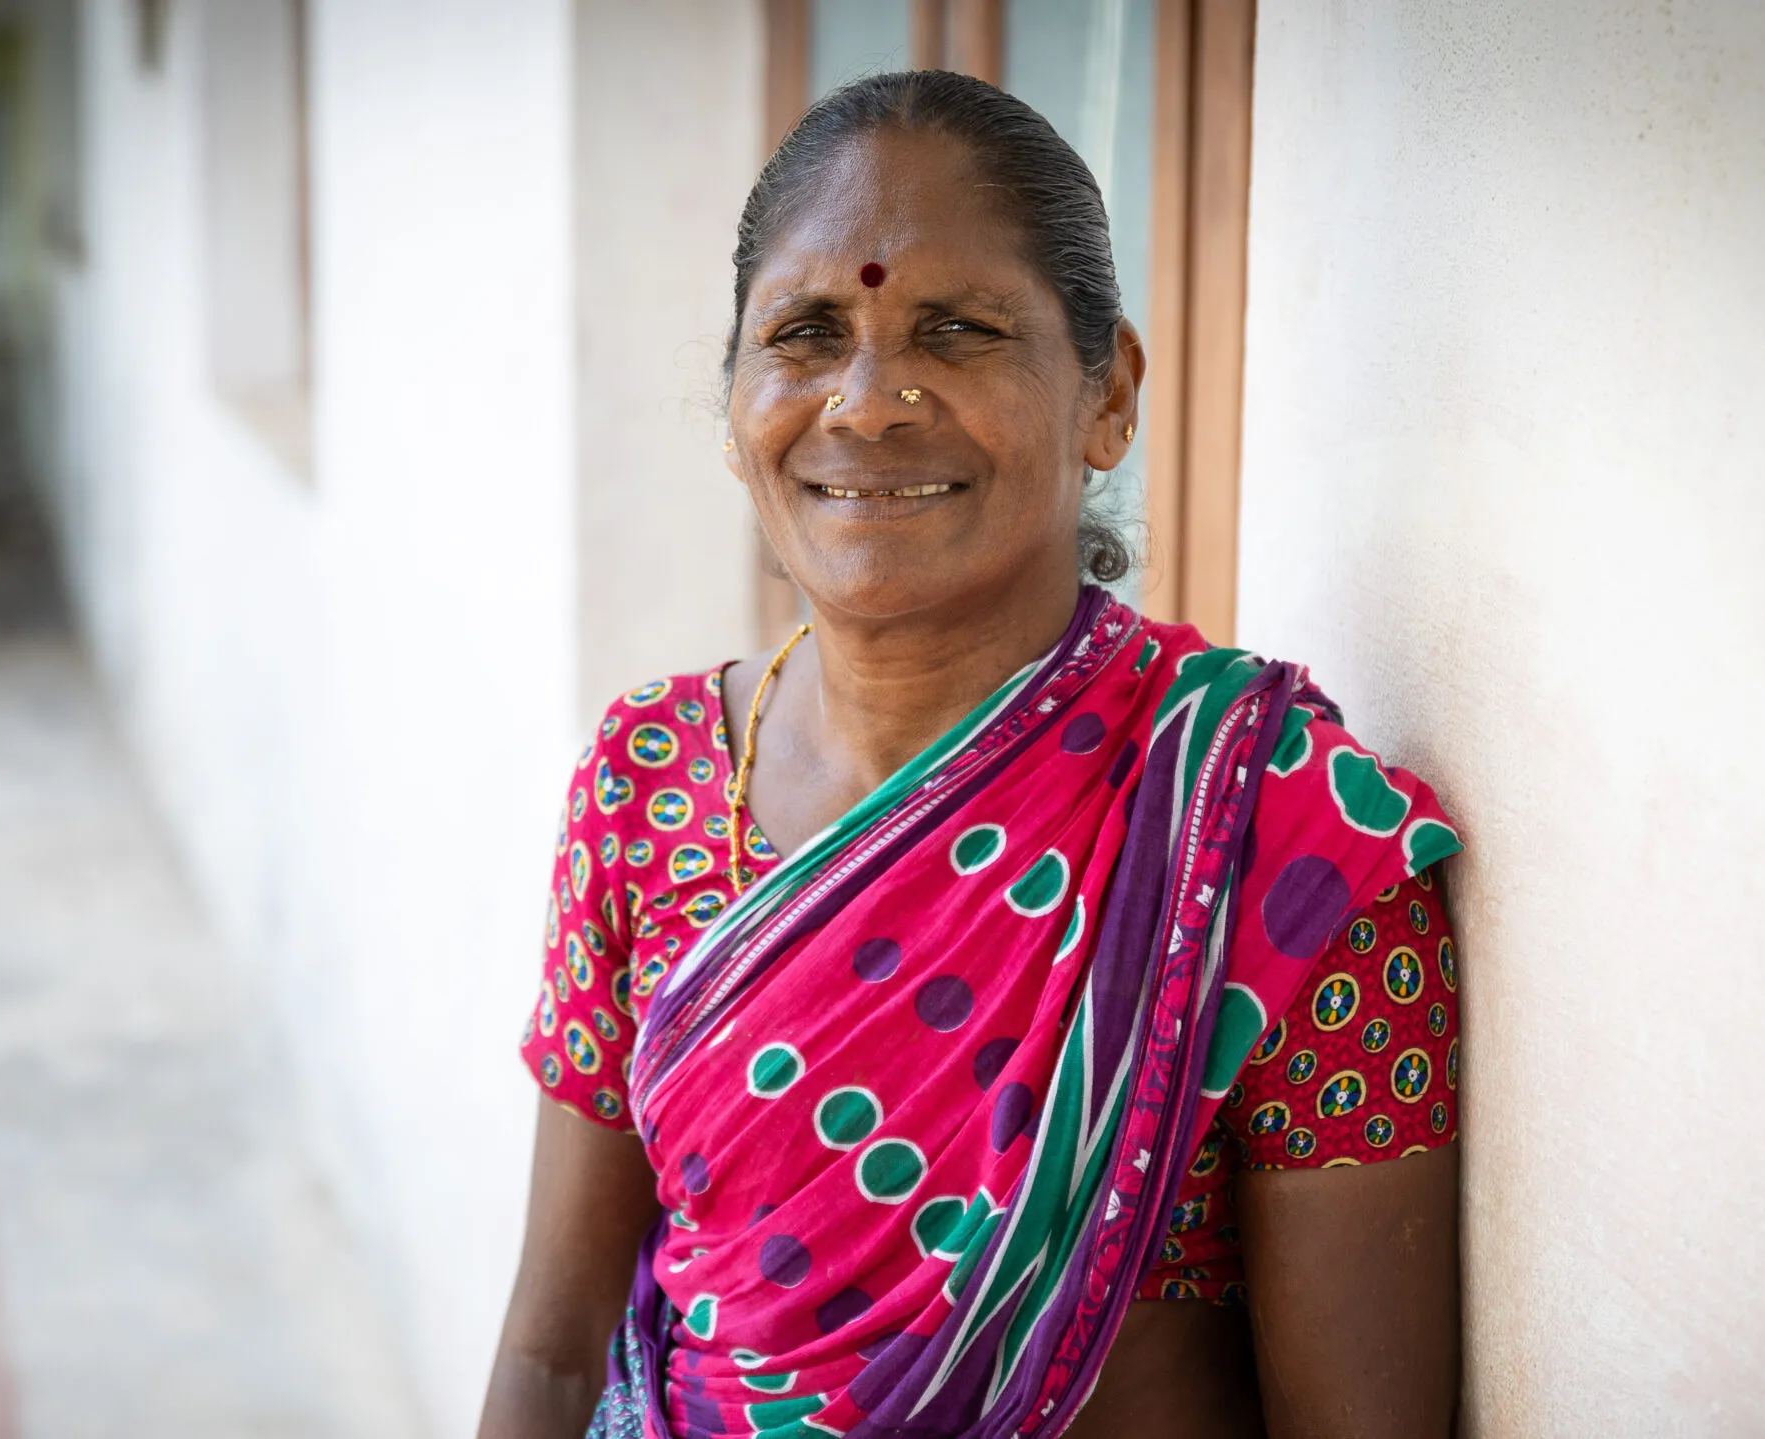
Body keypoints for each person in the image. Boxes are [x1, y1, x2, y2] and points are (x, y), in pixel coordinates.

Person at [481, 71, 1462, 1439]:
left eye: (958, 328)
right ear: (736, 401)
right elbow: (546, 1351)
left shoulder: (1267, 832)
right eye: (809, 332)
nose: (870, 401)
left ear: (1107, 394)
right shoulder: (648, 779)